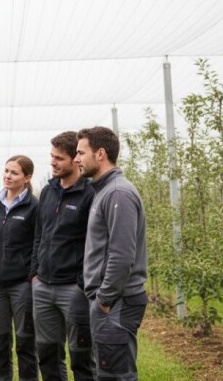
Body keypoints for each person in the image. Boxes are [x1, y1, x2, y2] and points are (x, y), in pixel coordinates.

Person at [75, 127, 148, 381]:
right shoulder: (104, 191)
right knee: (107, 373)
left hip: (116, 301)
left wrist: (104, 300)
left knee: (116, 375)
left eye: (81, 153)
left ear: (101, 153)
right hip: (109, 300)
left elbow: (121, 255)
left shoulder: (117, 193)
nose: (76, 159)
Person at [30, 131, 97, 380]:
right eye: (51, 156)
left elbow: (94, 242)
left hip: (74, 289)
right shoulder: (47, 192)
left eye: (59, 158)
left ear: (74, 160)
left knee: (81, 355)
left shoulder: (90, 194)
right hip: (43, 286)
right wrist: (34, 273)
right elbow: (39, 234)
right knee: (47, 354)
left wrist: (82, 282)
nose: (53, 162)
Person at [0, 155, 39, 381]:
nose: (8, 176)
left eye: (14, 172)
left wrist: (31, 274)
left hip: (21, 285)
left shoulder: (34, 207)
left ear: (27, 177)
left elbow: (37, 243)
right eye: (6, 171)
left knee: (25, 343)